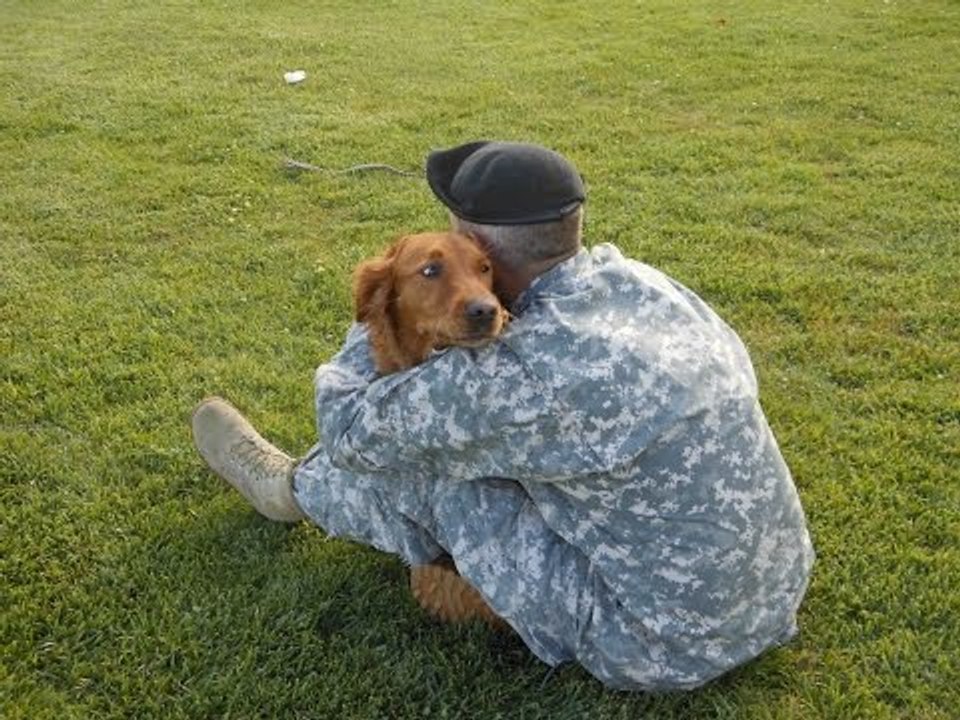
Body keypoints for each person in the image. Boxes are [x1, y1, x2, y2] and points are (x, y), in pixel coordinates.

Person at [192, 141, 815, 691]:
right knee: (458, 440)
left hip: (661, 643)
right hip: (776, 589)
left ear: (479, 245)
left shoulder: (514, 375)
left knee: (426, 469)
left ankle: (288, 488)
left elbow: (351, 428)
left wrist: (390, 298)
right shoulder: (648, 285)